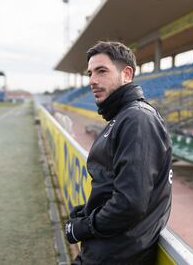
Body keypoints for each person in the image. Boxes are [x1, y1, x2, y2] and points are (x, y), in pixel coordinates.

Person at [64, 41, 172, 265]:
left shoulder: (137, 119)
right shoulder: (124, 116)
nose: (93, 80)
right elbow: (113, 186)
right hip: (107, 251)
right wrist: (86, 212)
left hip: (116, 256)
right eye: (90, 73)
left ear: (127, 74)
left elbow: (129, 204)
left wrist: (83, 227)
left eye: (102, 71)